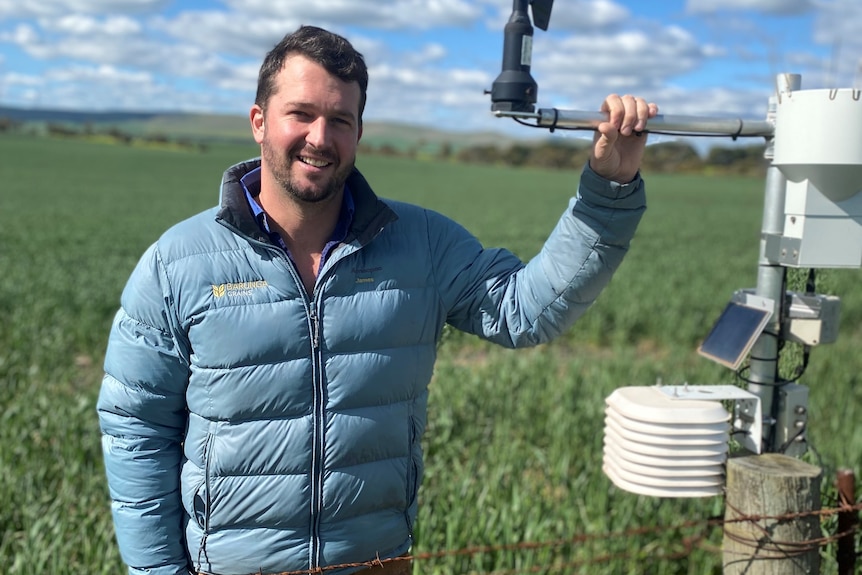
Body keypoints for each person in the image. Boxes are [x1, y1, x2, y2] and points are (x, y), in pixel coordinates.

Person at [97, 25, 657, 575]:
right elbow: (136, 429)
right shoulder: (179, 263)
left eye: (340, 120)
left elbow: (526, 311)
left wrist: (608, 187)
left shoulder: (422, 244)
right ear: (259, 121)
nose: (320, 137)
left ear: (358, 133)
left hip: (375, 564)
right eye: (302, 113)